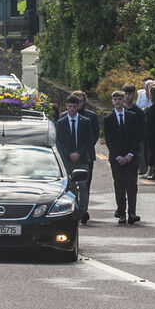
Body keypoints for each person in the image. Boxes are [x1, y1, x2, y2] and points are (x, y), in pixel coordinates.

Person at [103, 90, 142, 225]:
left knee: (131, 185)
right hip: (117, 158)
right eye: (115, 99)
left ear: (124, 101)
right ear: (112, 102)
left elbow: (136, 137)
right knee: (119, 185)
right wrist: (118, 156)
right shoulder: (108, 119)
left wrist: (130, 154)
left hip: (131, 157)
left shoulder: (133, 116)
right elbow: (109, 140)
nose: (118, 101)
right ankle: (121, 212)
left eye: (120, 99)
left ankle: (132, 212)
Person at [56, 96, 92, 224]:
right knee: (70, 187)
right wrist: (69, 154)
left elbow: (89, 140)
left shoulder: (85, 121)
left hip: (82, 158)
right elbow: (59, 142)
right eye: (69, 106)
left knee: (83, 186)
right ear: (66, 106)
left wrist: (79, 153)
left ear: (78, 107)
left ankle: (83, 212)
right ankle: (72, 212)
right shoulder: (61, 123)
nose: (72, 109)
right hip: (67, 159)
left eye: (74, 106)